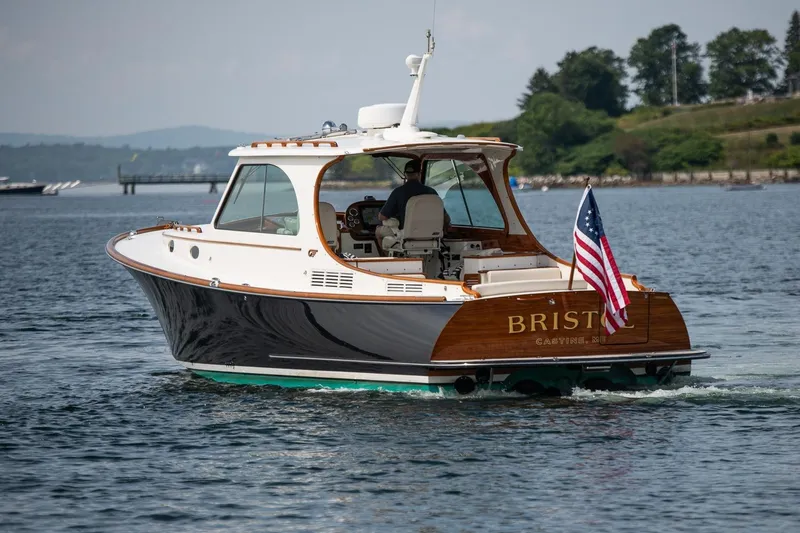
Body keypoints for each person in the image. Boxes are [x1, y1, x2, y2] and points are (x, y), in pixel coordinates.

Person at [376, 160, 449, 252]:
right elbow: (446, 218)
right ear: (419, 173)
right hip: (432, 236)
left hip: (405, 233)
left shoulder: (398, 192)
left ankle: (386, 261)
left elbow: (382, 217)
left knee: (378, 232)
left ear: (405, 174)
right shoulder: (432, 192)